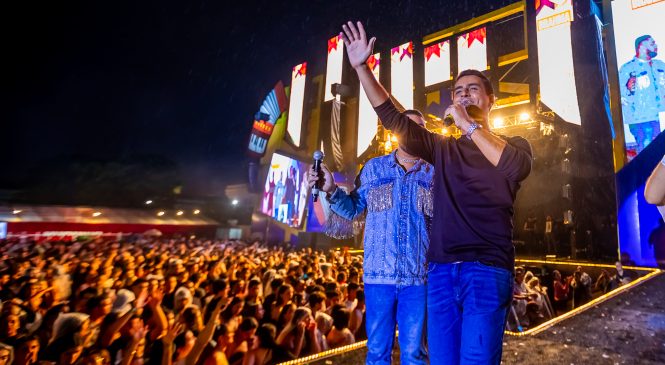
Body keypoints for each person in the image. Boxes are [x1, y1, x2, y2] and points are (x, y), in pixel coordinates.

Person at [340, 21, 532, 364]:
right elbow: (393, 119)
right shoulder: (443, 149)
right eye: (458, 91)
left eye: (473, 89)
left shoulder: (514, 145)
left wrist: (469, 125)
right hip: (441, 273)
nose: (463, 95)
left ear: (491, 100)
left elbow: (515, 169)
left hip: (486, 270)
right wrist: (361, 68)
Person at [307, 103, 433, 363]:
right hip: (378, 278)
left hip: (419, 279)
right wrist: (331, 189)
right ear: (397, 132)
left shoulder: (435, 174)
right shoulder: (374, 168)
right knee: (377, 352)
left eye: (419, 128)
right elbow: (353, 210)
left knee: (415, 354)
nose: (413, 132)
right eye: (407, 126)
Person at [619, 35, 665, 155]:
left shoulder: (660, 65)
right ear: (641, 45)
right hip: (641, 121)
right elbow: (620, 97)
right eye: (652, 43)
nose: (656, 45)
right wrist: (629, 90)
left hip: (661, 117)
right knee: (647, 154)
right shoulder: (627, 69)